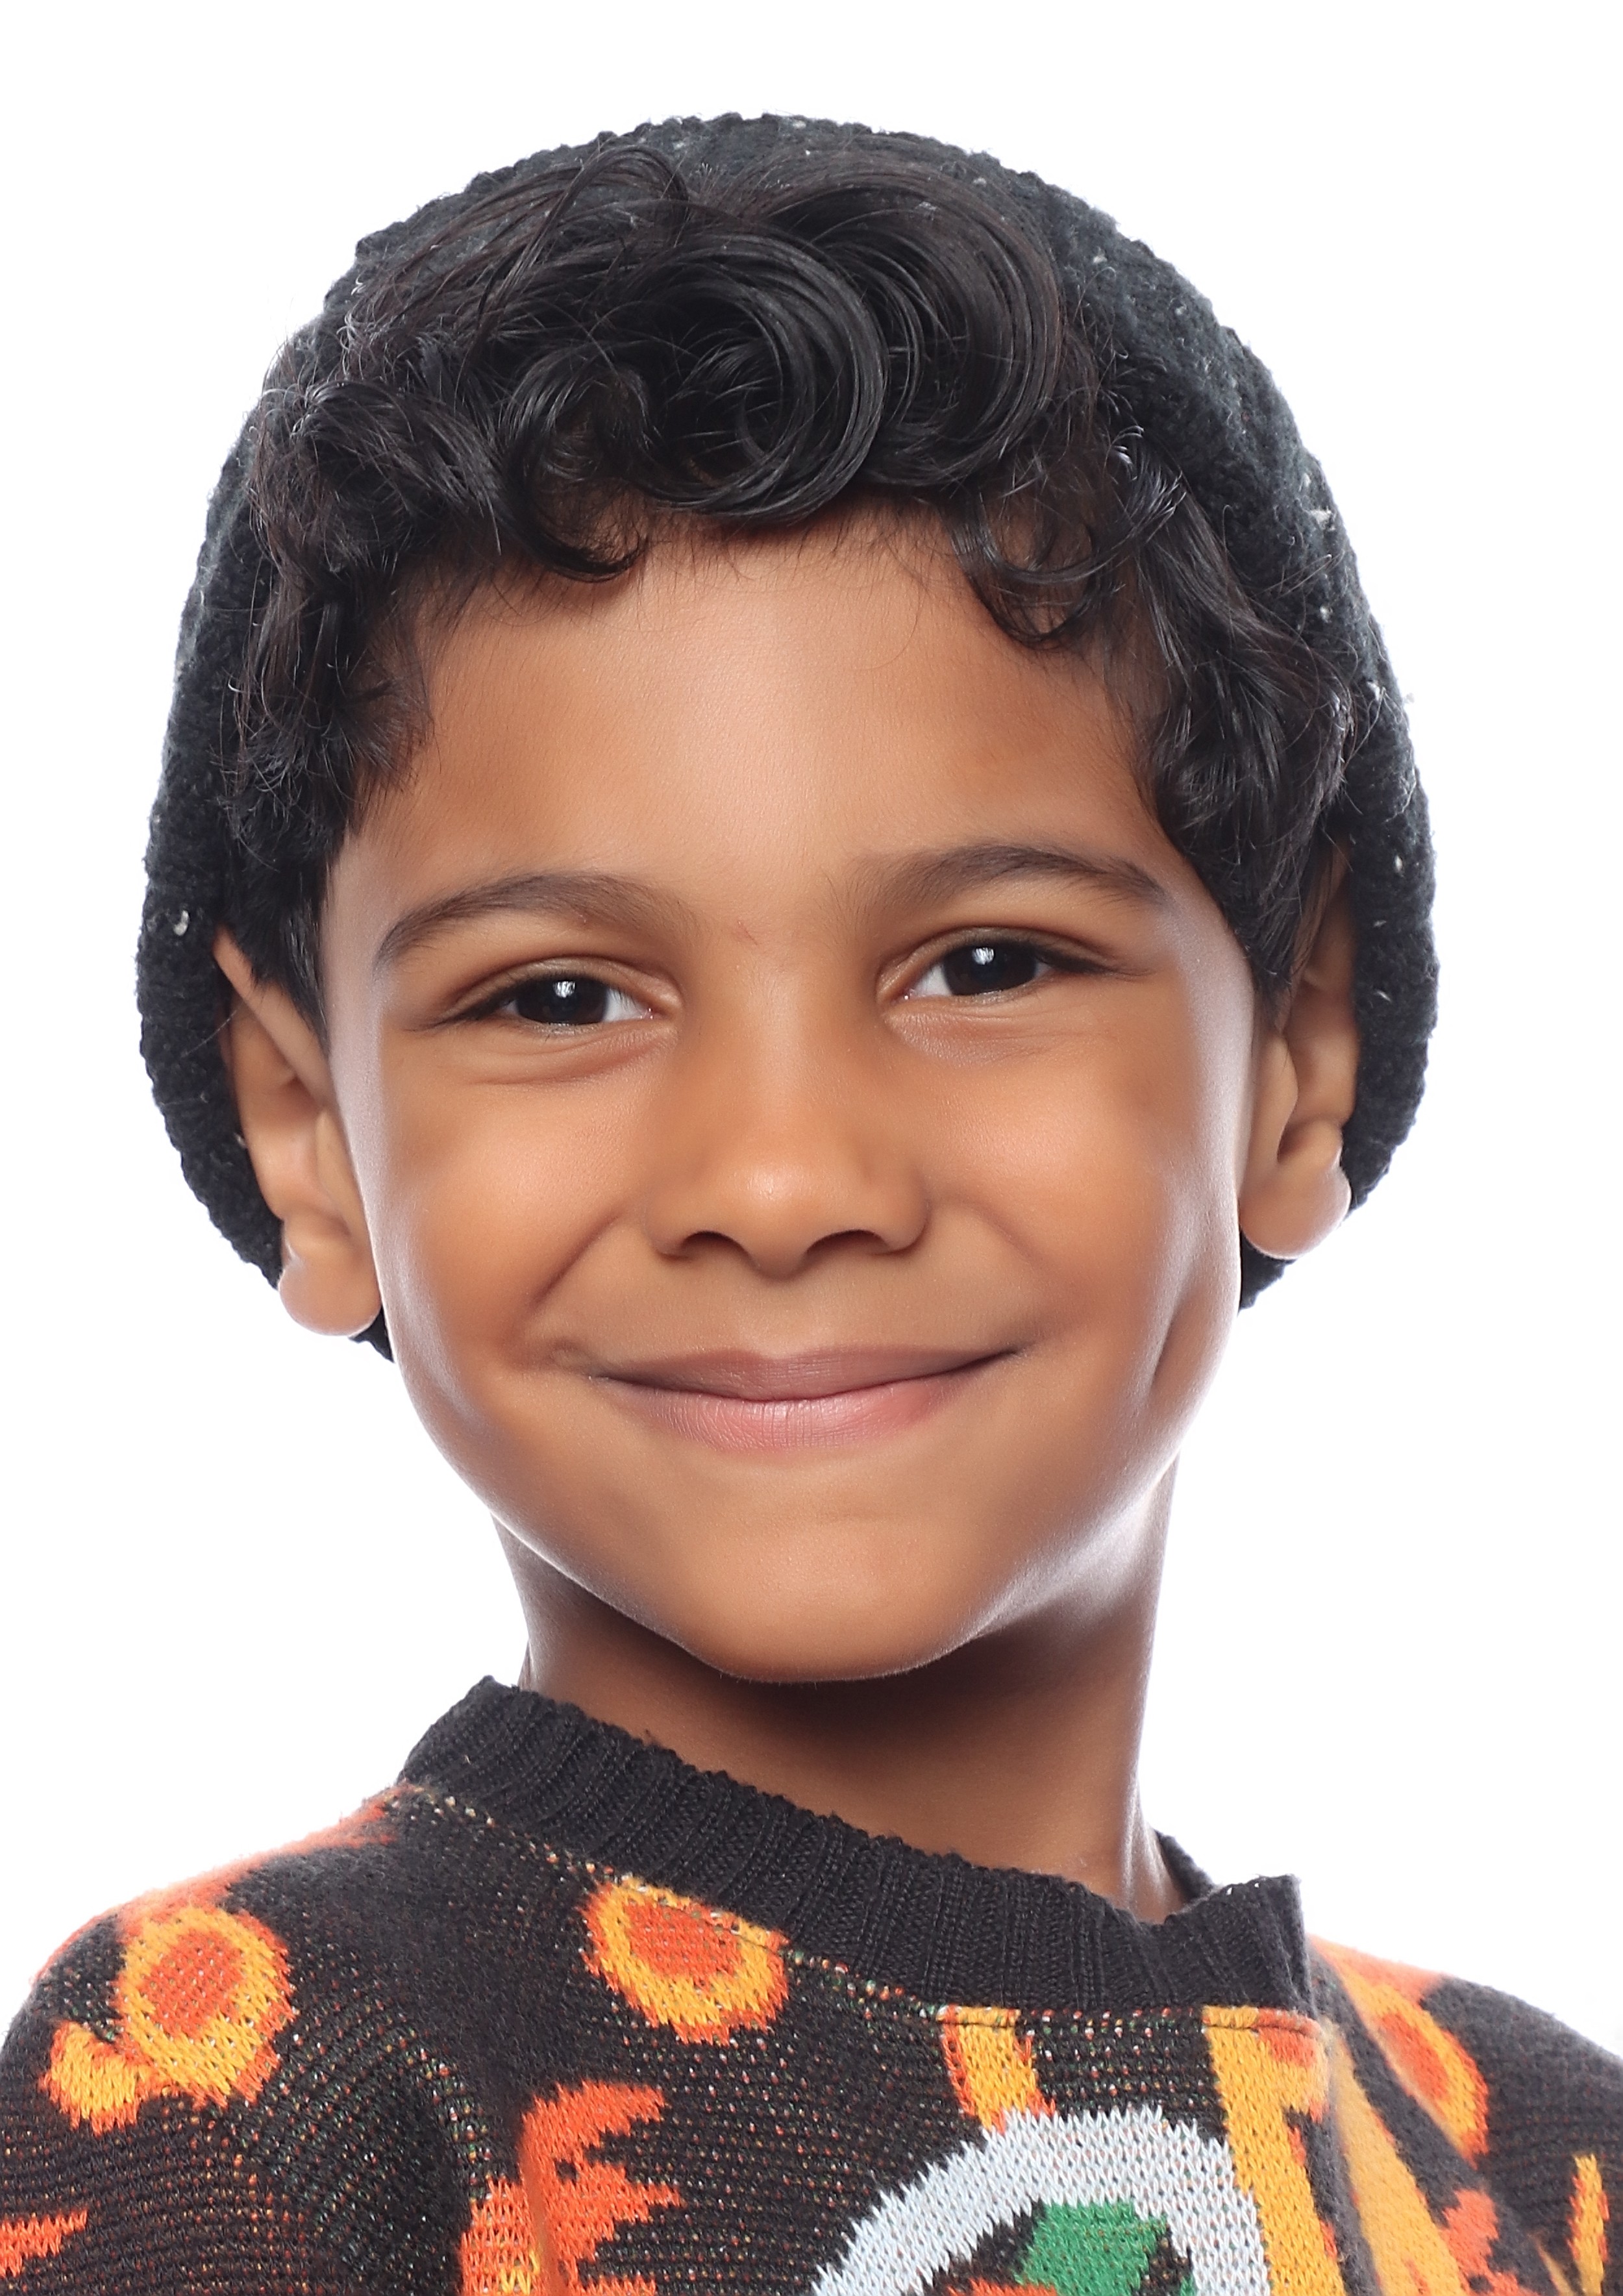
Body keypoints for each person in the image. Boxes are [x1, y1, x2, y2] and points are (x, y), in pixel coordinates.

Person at [0, 113, 1614, 2296]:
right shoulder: (259, 2094)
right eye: (559, 996)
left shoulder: (1545, 2169)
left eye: (988, 964)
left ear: (1299, 1051)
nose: (781, 1184)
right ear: (306, 1131)